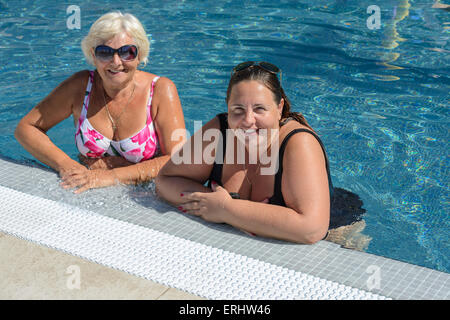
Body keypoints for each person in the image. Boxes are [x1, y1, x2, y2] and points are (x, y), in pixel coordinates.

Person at [156, 61, 367, 245]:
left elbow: (312, 229)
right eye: (237, 110)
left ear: (279, 107)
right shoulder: (219, 132)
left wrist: (227, 209)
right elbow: (165, 180)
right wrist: (215, 204)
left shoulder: (299, 143)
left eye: (259, 109)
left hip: (337, 225)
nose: (247, 120)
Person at [15, 12, 186, 193]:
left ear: (140, 54)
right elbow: (26, 128)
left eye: (127, 52)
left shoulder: (160, 90)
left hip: (144, 193)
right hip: (88, 186)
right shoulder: (80, 87)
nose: (116, 62)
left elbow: (178, 159)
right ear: (93, 55)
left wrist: (110, 176)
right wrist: (67, 165)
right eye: (104, 52)